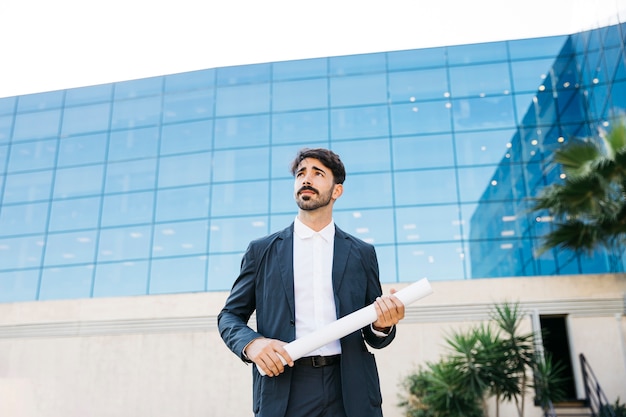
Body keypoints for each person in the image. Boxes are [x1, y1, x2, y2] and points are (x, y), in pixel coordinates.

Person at [217, 147, 405, 417]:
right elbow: (229, 316)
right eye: (301, 174)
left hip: (350, 387)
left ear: (336, 191)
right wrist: (252, 344)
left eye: (318, 174)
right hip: (285, 388)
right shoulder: (262, 251)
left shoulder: (362, 253)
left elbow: (372, 334)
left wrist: (382, 325)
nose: (306, 179)